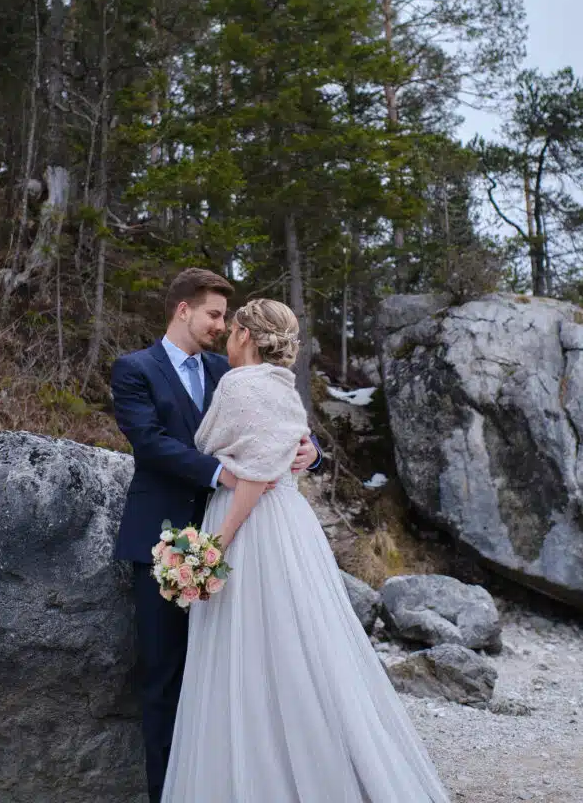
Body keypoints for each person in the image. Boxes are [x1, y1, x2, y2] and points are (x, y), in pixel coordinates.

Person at [161, 298, 451, 803]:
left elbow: (253, 474)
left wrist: (213, 547)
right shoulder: (280, 386)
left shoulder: (239, 384)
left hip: (248, 526)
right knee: (301, 644)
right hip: (291, 528)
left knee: (246, 651)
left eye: (233, 330)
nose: (226, 336)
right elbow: (280, 450)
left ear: (247, 336)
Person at [111, 271, 320, 803]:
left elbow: (275, 424)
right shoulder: (135, 369)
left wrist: (312, 453)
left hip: (240, 540)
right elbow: (150, 442)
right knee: (163, 679)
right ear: (183, 310)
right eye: (214, 315)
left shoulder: (230, 369)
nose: (222, 325)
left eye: (225, 318)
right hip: (161, 540)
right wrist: (224, 476)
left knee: (237, 674)